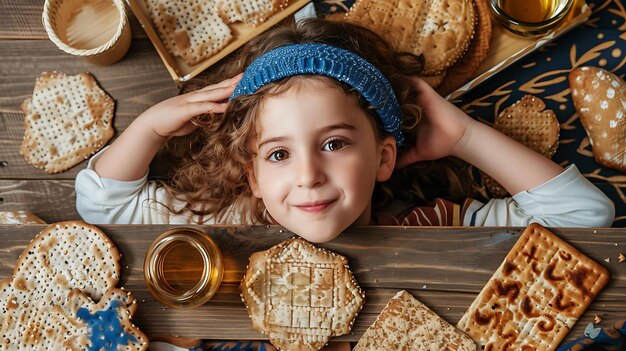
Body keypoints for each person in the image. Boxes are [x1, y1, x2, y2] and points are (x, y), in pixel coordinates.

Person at [75, 18, 614, 351]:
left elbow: (585, 220)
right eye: (279, 154)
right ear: (252, 176)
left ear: (383, 157)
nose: (309, 174)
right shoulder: (224, 227)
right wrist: (148, 126)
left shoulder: (437, 227)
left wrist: (465, 136)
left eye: (335, 143)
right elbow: (102, 206)